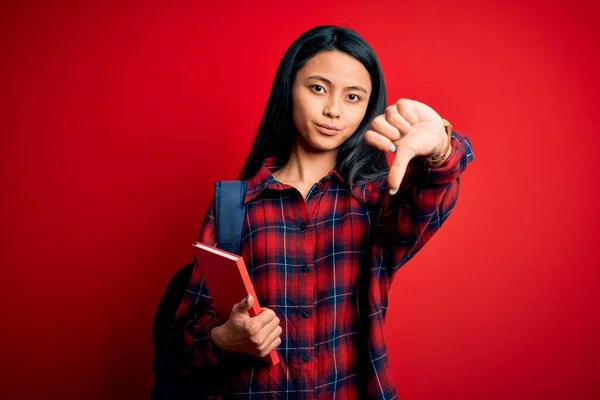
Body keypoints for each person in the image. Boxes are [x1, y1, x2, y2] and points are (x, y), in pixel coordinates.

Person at [168, 25, 474, 399]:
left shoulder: (376, 202)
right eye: (318, 88)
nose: (333, 110)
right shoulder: (234, 206)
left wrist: (441, 148)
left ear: (367, 108)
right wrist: (225, 338)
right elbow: (184, 341)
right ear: (289, 88)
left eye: (353, 97)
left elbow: (430, 198)